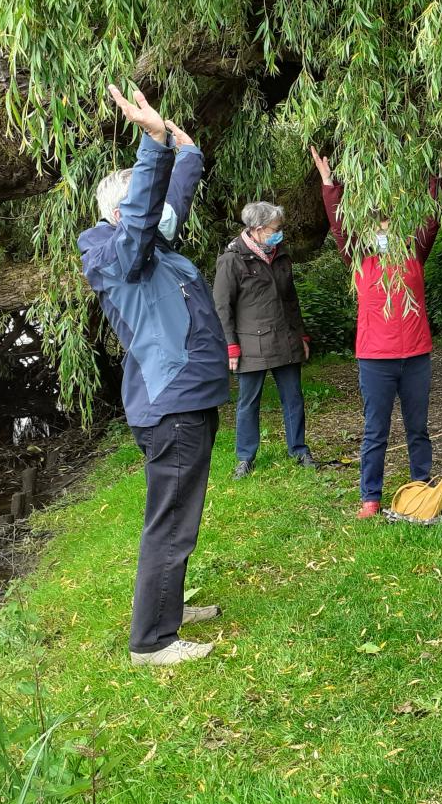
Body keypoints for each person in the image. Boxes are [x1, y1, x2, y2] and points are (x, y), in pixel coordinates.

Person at [78, 87, 229, 666]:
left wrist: (185, 155)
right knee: (170, 522)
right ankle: (152, 641)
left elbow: (168, 211)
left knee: (178, 512)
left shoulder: (147, 251)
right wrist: (153, 143)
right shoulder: (117, 255)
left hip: (181, 401)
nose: (160, 211)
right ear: (120, 215)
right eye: (145, 203)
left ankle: (169, 605)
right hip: (172, 406)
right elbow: (145, 217)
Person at [311, 147, 438, 519]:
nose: (383, 230)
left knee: (418, 429)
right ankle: (371, 497)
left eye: (389, 225)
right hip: (375, 358)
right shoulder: (359, 258)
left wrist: (438, 176)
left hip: (415, 355)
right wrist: (329, 184)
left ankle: (421, 487)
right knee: (375, 432)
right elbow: (339, 226)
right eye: (377, 226)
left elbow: (429, 219)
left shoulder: (413, 251)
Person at [213, 201, 315, 479]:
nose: (279, 233)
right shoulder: (231, 259)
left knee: (293, 398)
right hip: (251, 346)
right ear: (257, 230)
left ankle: (299, 450)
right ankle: (245, 458)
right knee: (249, 403)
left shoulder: (280, 255)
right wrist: (230, 346)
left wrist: (301, 335)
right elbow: (222, 307)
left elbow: (291, 300)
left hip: (286, 339)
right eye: (275, 229)